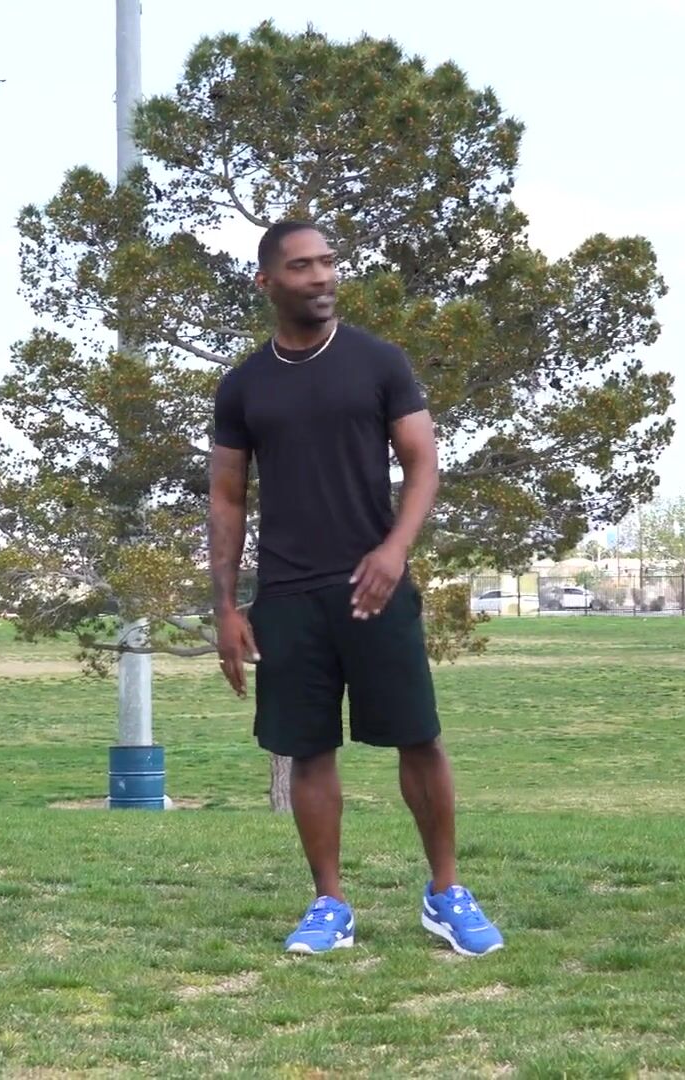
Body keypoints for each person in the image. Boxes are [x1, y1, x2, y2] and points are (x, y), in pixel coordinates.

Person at [207, 221, 504, 957]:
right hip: (287, 596)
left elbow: (423, 462)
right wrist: (226, 608)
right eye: (302, 266)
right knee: (308, 751)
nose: (322, 277)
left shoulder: (378, 361)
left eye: (328, 263)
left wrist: (395, 551)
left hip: (375, 586)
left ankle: (446, 893)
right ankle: (330, 904)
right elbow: (226, 498)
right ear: (267, 282)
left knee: (418, 738)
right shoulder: (243, 385)